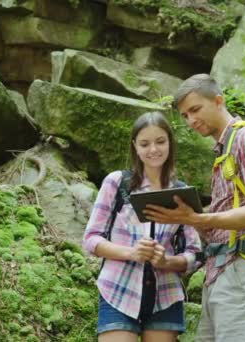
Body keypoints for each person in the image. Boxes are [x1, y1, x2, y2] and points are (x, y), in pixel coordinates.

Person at [144, 74, 245, 341]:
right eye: (185, 116)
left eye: (195, 110)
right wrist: (187, 218)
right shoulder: (224, 150)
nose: (191, 120)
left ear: (219, 101)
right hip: (220, 273)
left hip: (244, 271)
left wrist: (199, 218)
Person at [82, 111, 202, 342]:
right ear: (135, 146)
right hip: (118, 289)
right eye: (145, 144)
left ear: (170, 143)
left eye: (160, 142)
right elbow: (91, 239)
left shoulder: (181, 191)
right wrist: (132, 252)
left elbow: (195, 254)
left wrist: (167, 261)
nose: (153, 150)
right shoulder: (117, 182)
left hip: (165, 294)